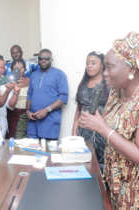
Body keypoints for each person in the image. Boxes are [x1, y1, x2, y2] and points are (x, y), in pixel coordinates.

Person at [80, 32, 139, 210]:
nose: (104, 73)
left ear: (132, 70)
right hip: (113, 184)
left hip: (133, 192)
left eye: (110, 67)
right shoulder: (115, 94)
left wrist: (103, 129)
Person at [72, 51, 109, 169]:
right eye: (87, 63)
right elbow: (79, 109)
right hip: (84, 131)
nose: (89, 66)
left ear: (102, 65)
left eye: (93, 63)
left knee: (101, 167)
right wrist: (74, 132)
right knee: (84, 164)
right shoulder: (84, 83)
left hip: (101, 132)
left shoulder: (108, 83)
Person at [26, 49, 68, 140]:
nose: (43, 60)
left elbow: (63, 97)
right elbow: (29, 94)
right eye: (41, 58)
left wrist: (46, 110)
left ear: (51, 60)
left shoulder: (60, 74)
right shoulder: (33, 75)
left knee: (48, 152)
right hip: (33, 121)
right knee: (31, 150)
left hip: (49, 121)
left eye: (46, 58)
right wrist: (28, 111)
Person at [0, 55, 21, 138]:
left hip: (1, 122)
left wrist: (15, 91)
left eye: (2, 68)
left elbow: (11, 105)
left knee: (0, 150)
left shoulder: (6, 82)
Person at [5, 58, 30, 139]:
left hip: (28, 115)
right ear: (12, 70)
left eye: (22, 67)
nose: (19, 69)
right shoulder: (8, 82)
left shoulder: (30, 80)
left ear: (25, 69)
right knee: (16, 140)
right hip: (14, 116)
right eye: (16, 68)